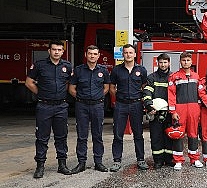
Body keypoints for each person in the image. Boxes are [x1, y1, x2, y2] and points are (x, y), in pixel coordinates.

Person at [25, 40, 73, 178]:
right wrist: (40, 94)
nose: (56, 52)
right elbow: (29, 82)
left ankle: (62, 165)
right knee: (42, 137)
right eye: (54, 49)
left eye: (59, 50)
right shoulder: (40, 65)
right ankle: (40, 166)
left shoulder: (67, 66)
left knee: (61, 136)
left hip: (61, 106)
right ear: (49, 51)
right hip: (44, 106)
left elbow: (70, 83)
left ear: (63, 52)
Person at [68, 45, 111, 173]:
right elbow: (71, 88)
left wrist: (96, 97)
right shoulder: (79, 70)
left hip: (97, 106)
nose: (92, 56)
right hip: (82, 106)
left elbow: (106, 88)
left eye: (95, 54)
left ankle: (98, 162)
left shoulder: (103, 71)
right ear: (86, 55)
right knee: (82, 135)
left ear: (98, 56)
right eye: (90, 53)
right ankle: (81, 163)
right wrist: (82, 97)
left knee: (97, 135)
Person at [109, 43, 148, 172]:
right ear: (122, 54)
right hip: (121, 104)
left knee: (138, 134)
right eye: (125, 52)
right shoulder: (116, 70)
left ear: (135, 54)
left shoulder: (141, 70)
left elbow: (144, 87)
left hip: (136, 105)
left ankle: (141, 159)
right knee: (118, 134)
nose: (128, 55)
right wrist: (119, 98)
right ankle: (116, 161)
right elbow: (112, 88)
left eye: (130, 52)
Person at [168, 51, 201, 170]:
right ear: (180, 62)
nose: (186, 62)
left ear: (191, 62)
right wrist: (173, 112)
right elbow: (171, 95)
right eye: (184, 60)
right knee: (178, 134)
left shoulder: (196, 77)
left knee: (193, 134)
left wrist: (199, 110)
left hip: (193, 109)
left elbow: (200, 94)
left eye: (188, 60)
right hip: (180, 108)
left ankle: (195, 159)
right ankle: (178, 160)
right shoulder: (174, 76)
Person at [142, 53, 173, 169]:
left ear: (169, 63)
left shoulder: (173, 77)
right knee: (156, 137)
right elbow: (147, 92)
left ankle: (169, 159)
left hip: (169, 112)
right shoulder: (152, 77)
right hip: (155, 112)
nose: (163, 64)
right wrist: (149, 106)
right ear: (157, 63)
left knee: (169, 136)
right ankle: (158, 161)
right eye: (161, 62)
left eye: (165, 62)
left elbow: (175, 94)